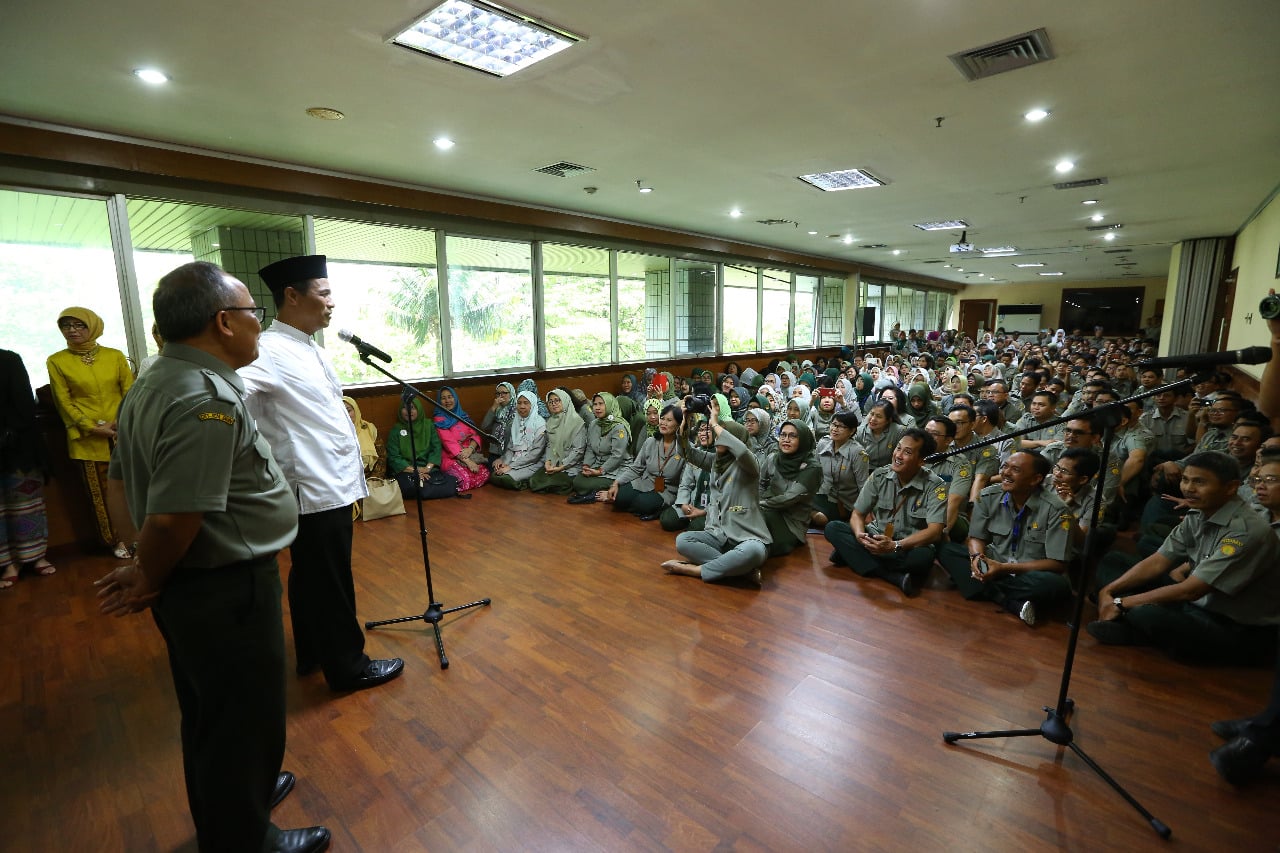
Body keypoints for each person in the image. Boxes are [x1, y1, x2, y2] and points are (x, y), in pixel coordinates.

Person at [94, 261, 328, 853]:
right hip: (223, 584)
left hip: (189, 583)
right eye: (254, 313)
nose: (259, 324)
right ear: (224, 322)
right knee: (242, 720)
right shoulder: (205, 398)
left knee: (210, 712)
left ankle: (235, 799)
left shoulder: (151, 380)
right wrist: (147, 571)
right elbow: (175, 517)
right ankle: (244, 838)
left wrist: (138, 559)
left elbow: (120, 481)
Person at [240, 254, 403, 692]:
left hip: (327, 482)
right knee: (330, 580)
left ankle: (313, 651)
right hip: (311, 486)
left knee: (310, 575)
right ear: (292, 296)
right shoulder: (268, 350)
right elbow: (230, 393)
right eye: (324, 293)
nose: (332, 303)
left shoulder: (307, 345)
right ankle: (349, 667)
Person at [1088, 451, 1280, 663]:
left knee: (1145, 613)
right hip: (1196, 604)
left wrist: (1121, 602)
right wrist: (1110, 591)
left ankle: (1130, 623)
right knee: (1114, 561)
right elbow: (1159, 561)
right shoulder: (1200, 512)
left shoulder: (1246, 530)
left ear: (1231, 487)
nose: (1188, 488)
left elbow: (1192, 590)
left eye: (1199, 482)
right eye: (1186, 480)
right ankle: (1129, 621)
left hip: (1234, 625)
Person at [937, 451, 1075, 626]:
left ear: (1035, 479)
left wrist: (1002, 568)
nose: (1005, 473)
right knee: (946, 550)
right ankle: (1010, 601)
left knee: (1053, 584)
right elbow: (976, 538)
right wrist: (977, 558)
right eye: (1005, 466)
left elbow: (1057, 563)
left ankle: (988, 591)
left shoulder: (1057, 509)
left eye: (1015, 469)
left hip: (1029, 573)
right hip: (995, 561)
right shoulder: (987, 496)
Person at [46, 306, 134, 556]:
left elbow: (130, 392)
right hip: (87, 440)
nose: (72, 330)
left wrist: (118, 422)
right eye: (66, 326)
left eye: (79, 325)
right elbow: (64, 401)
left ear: (93, 326)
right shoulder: (57, 361)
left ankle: (140, 536)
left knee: (133, 489)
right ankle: (117, 541)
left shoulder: (115, 356)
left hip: (123, 434)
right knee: (102, 495)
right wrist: (93, 427)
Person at [825, 429, 947, 597]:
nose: (898, 455)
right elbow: (857, 515)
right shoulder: (880, 475)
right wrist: (861, 536)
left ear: (921, 461)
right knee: (833, 528)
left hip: (907, 546)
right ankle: (891, 576)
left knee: (922, 559)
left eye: (907, 452)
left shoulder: (935, 485)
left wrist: (895, 546)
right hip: (876, 537)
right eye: (898, 448)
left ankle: (852, 556)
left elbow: (934, 532)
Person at [660, 409, 771, 585]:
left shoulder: (750, 465)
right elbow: (686, 452)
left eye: (722, 435)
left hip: (745, 537)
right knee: (682, 540)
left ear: (733, 440)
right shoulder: (716, 462)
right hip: (718, 534)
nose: (717, 438)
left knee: (755, 551)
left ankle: (697, 570)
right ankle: (741, 572)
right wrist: (685, 424)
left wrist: (715, 423)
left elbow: (741, 451)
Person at [1, 349, 55, 589]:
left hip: (17, 448)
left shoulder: (9, 360)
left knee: (25, 505)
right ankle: (7, 564)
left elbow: (24, 405)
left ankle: (35, 557)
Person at [605, 403, 686, 520]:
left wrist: (680, 502)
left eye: (669, 420)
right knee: (619, 498)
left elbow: (685, 482)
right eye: (662, 418)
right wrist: (616, 483)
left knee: (642, 504)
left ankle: (654, 508)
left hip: (667, 490)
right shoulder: (651, 441)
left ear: (678, 424)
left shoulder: (684, 448)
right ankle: (640, 507)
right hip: (646, 482)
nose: (663, 423)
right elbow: (636, 467)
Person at [759, 419, 821, 557]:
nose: (786, 440)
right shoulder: (773, 458)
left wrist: (759, 504)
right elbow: (760, 484)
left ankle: (748, 560)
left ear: (803, 439)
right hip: (768, 509)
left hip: (792, 523)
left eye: (793, 436)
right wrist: (757, 500)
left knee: (753, 521)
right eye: (783, 435)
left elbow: (789, 498)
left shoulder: (812, 467)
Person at [387, 397, 459, 499]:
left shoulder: (428, 425)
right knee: (409, 485)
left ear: (419, 409)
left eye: (412, 407)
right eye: (404, 407)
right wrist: (415, 471)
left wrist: (427, 468)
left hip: (429, 469)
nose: (408, 411)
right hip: (406, 470)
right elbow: (394, 457)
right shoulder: (396, 430)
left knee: (447, 481)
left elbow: (436, 448)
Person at [567, 392, 631, 503]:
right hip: (598, 465)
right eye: (595, 404)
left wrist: (600, 471)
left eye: (601, 404)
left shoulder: (619, 427)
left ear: (610, 405)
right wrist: (586, 465)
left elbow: (617, 456)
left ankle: (612, 489)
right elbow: (590, 448)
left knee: (583, 484)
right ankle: (597, 492)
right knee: (578, 481)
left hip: (617, 468)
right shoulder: (594, 424)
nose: (597, 407)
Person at [811, 412, 869, 528]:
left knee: (820, 518)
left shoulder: (858, 453)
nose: (835, 429)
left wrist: (859, 515)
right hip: (822, 494)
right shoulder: (823, 443)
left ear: (852, 431)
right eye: (833, 424)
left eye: (841, 426)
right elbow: (814, 472)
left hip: (843, 503)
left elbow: (864, 487)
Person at [528, 389, 586, 494]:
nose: (553, 404)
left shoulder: (577, 422)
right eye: (550, 402)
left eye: (557, 400)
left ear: (565, 400)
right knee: (534, 481)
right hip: (554, 463)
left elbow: (578, 451)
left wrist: (562, 466)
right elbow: (550, 445)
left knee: (547, 483)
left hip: (570, 466)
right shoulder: (550, 421)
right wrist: (548, 461)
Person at [661, 419, 714, 532]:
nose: (702, 433)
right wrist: (683, 503)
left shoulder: (721, 456)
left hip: (712, 507)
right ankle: (691, 518)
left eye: (707, 430)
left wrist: (704, 511)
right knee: (667, 520)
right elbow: (685, 484)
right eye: (700, 430)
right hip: (693, 502)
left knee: (694, 529)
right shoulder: (695, 453)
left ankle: (698, 520)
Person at [432, 386, 489, 490]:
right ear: (439, 401)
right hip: (451, 458)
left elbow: (475, 435)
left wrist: (470, 449)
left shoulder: (462, 416)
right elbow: (449, 444)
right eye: (443, 398)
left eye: (450, 397)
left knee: (485, 473)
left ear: (455, 398)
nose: (447, 401)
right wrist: (468, 462)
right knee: (465, 479)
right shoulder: (439, 420)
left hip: (469, 453)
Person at [491, 388, 548, 489]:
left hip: (533, 462)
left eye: (526, 403)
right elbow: (510, 448)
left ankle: (524, 482)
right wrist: (505, 463)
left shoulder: (540, 424)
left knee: (506, 478)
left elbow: (535, 454)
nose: (522, 406)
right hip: (515, 460)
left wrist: (511, 467)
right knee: (495, 474)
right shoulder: (515, 422)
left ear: (533, 405)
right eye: (519, 403)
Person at [342, 396, 380, 474]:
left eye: (348, 410)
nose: (346, 415)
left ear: (355, 410)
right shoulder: (334, 434)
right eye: (342, 412)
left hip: (371, 477)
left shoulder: (369, 428)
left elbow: (381, 456)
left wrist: (376, 477)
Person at [481, 382, 516, 463]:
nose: (501, 395)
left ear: (511, 393)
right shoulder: (496, 411)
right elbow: (484, 426)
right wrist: (493, 407)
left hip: (511, 452)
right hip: (495, 452)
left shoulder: (518, 411)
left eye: (504, 393)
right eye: (498, 393)